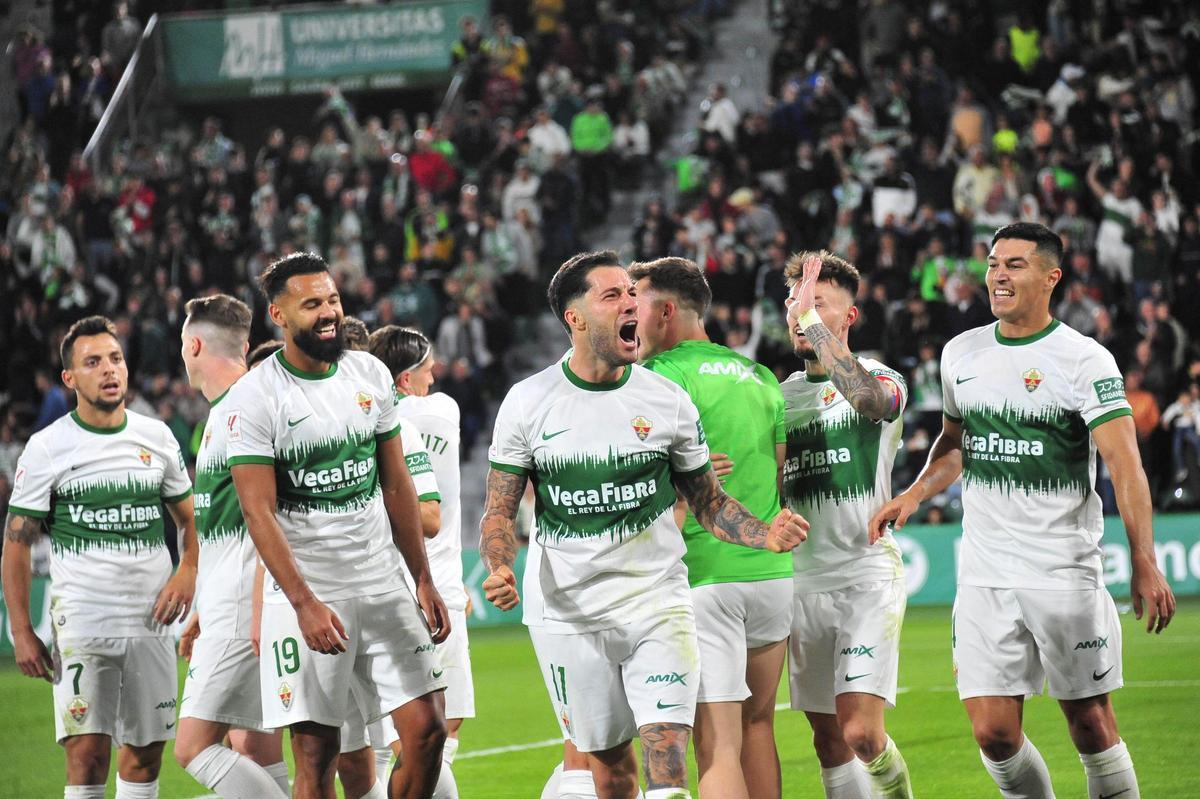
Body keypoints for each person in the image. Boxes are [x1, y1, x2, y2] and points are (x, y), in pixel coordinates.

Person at [480, 250, 809, 799]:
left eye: (632, 295)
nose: (630, 303)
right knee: (611, 772)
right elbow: (499, 507)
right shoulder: (529, 402)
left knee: (666, 756)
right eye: (613, 295)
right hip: (571, 611)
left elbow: (709, 502)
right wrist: (498, 564)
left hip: (658, 603)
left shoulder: (666, 398)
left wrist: (763, 532)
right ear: (575, 317)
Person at [871, 222, 1177, 799]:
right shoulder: (962, 353)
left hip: (1062, 569)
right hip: (985, 573)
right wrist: (913, 493)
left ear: (1050, 277)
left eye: (1014, 264)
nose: (998, 275)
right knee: (992, 732)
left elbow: (1126, 466)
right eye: (992, 263)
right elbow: (955, 446)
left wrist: (1144, 559)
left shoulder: (1084, 360)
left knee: (1090, 723)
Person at [224, 252, 451, 799]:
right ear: (279, 315)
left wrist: (421, 577)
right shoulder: (257, 397)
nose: (328, 313)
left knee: (427, 732)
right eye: (312, 304)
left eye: (332, 300)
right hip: (309, 593)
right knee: (318, 757)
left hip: (381, 581)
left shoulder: (368, 373)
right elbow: (259, 511)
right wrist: (302, 602)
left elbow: (398, 486)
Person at [3, 315, 198, 799]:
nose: (109, 370)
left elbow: (192, 520)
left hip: (153, 621)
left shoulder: (157, 438)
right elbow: (17, 542)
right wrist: (23, 629)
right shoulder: (48, 448)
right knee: (87, 754)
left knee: (145, 753)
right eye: (93, 362)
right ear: (69, 379)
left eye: (115, 359)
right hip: (84, 624)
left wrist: (188, 569)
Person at [630, 256, 792, 799]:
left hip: (706, 576)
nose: (630, 314)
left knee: (716, 745)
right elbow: (778, 472)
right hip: (773, 572)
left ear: (668, 311)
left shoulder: (657, 379)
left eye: (639, 303)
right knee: (760, 726)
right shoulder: (760, 375)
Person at [781, 251, 915, 799]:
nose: (799, 314)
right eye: (794, 303)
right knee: (829, 743)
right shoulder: (779, 396)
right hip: (800, 584)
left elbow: (868, 401)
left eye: (817, 305)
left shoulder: (880, 376)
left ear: (848, 318)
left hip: (865, 577)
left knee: (862, 732)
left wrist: (812, 324)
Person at [174, 295, 290, 798]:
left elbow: (271, 516)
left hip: (247, 607)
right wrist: (203, 605)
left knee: (193, 746)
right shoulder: (224, 414)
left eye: (183, 343)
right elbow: (231, 526)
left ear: (193, 345)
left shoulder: (243, 410)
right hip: (234, 600)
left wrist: (260, 607)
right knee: (258, 747)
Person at [369, 324, 473, 799]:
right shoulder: (442, 411)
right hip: (438, 586)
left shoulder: (365, 424)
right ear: (406, 379)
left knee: (406, 740)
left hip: (388, 586)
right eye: (428, 372)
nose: (436, 380)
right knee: (433, 737)